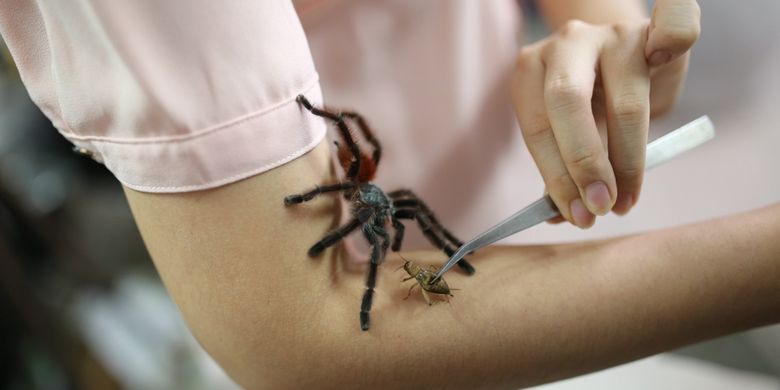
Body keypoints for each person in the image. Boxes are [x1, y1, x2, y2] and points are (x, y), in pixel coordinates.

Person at [1, 0, 778, 388]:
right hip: (341, 327)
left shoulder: (383, 189)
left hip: (486, 187)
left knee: (407, 214)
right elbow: (313, 319)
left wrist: (606, 31)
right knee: (370, 234)